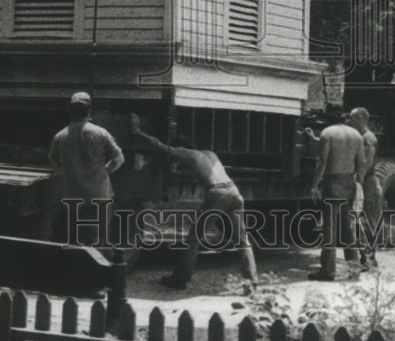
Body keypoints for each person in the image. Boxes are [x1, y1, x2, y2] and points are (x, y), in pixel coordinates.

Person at [129, 113, 257, 291]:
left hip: (218, 194)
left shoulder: (185, 153)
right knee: (242, 239)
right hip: (235, 192)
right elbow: (202, 171)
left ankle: (180, 279)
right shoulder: (208, 154)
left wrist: (138, 133)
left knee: (193, 239)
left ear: (180, 147)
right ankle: (251, 283)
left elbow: (160, 147)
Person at [49, 91, 125, 248]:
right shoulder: (100, 133)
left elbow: (53, 162)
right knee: (97, 242)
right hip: (98, 196)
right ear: (89, 111)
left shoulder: (60, 136)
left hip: (72, 196)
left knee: (73, 241)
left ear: (70, 112)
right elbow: (119, 159)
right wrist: (104, 171)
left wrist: (68, 173)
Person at [307, 116, 365, 281]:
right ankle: (354, 269)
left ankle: (328, 270)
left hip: (332, 182)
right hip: (349, 182)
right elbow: (362, 162)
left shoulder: (328, 132)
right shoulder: (356, 135)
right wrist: (359, 184)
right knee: (347, 227)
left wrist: (314, 185)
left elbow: (323, 162)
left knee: (329, 228)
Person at [349, 107, 383, 271]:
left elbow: (365, 163)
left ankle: (369, 260)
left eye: (353, 118)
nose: (350, 121)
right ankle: (367, 258)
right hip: (365, 182)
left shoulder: (368, 138)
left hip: (367, 183)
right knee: (363, 222)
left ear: (362, 118)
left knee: (368, 222)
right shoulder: (361, 137)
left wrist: (358, 185)